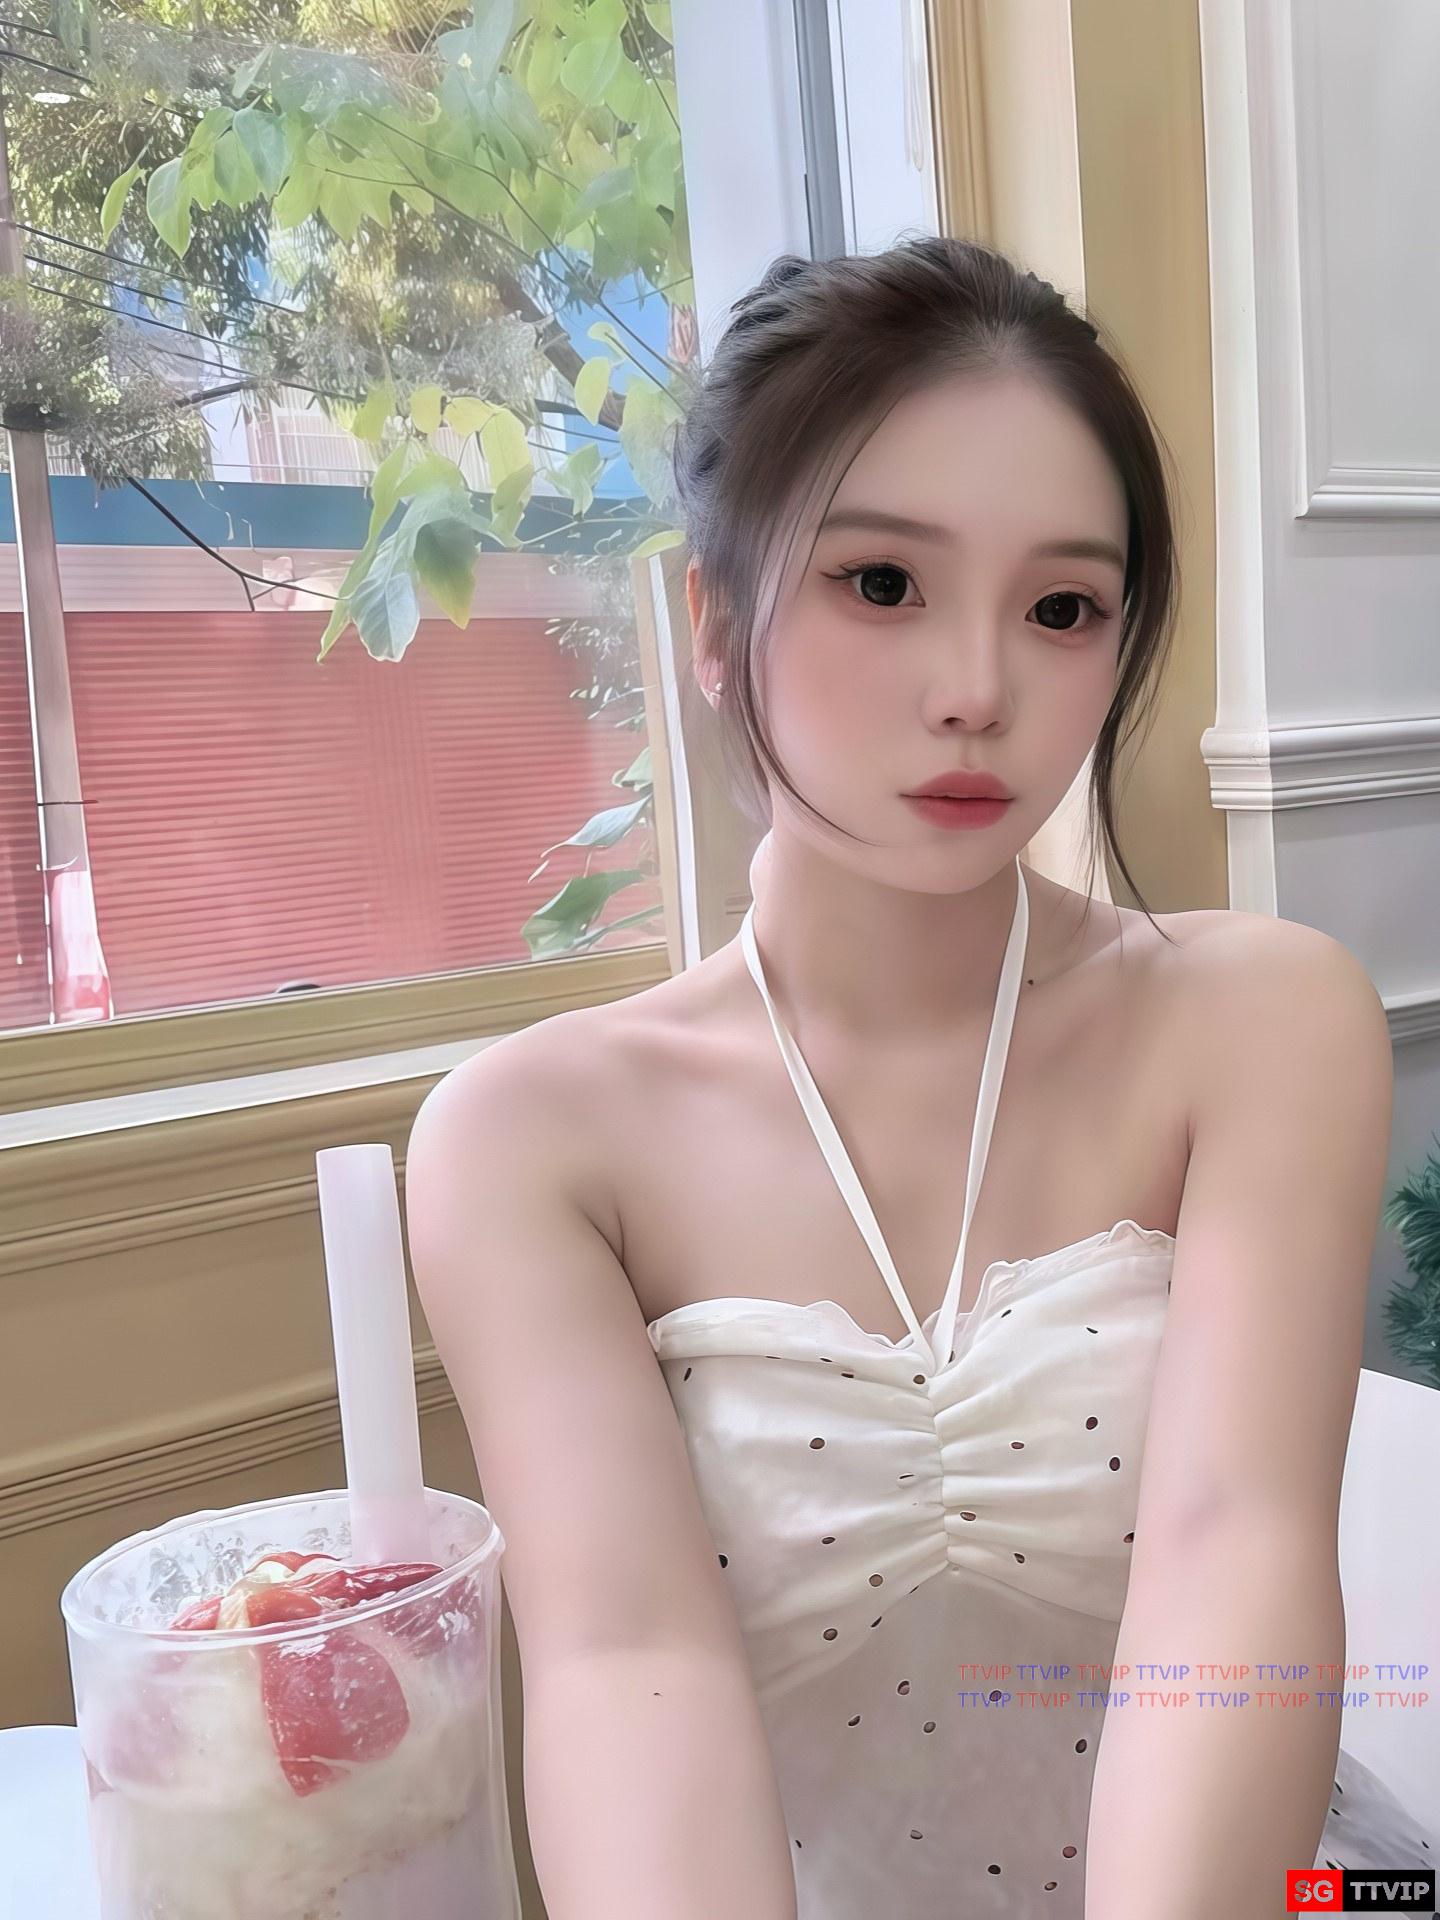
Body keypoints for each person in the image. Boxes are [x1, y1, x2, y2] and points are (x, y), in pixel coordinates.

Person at [404, 238, 1435, 1919]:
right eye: (881, 583)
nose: (979, 692)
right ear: (715, 623)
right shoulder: (527, 1145)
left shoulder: (1261, 1023)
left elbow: (1230, 1565)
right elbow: (624, 1667)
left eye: (1063, 608)